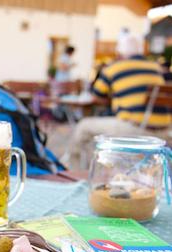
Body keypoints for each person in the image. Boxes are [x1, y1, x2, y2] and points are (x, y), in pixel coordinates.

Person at [68, 35, 169, 169]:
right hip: (164, 130)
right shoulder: (155, 68)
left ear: (120, 53)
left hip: (136, 128)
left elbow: (96, 95)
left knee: (83, 126)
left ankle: (75, 173)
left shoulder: (114, 68)